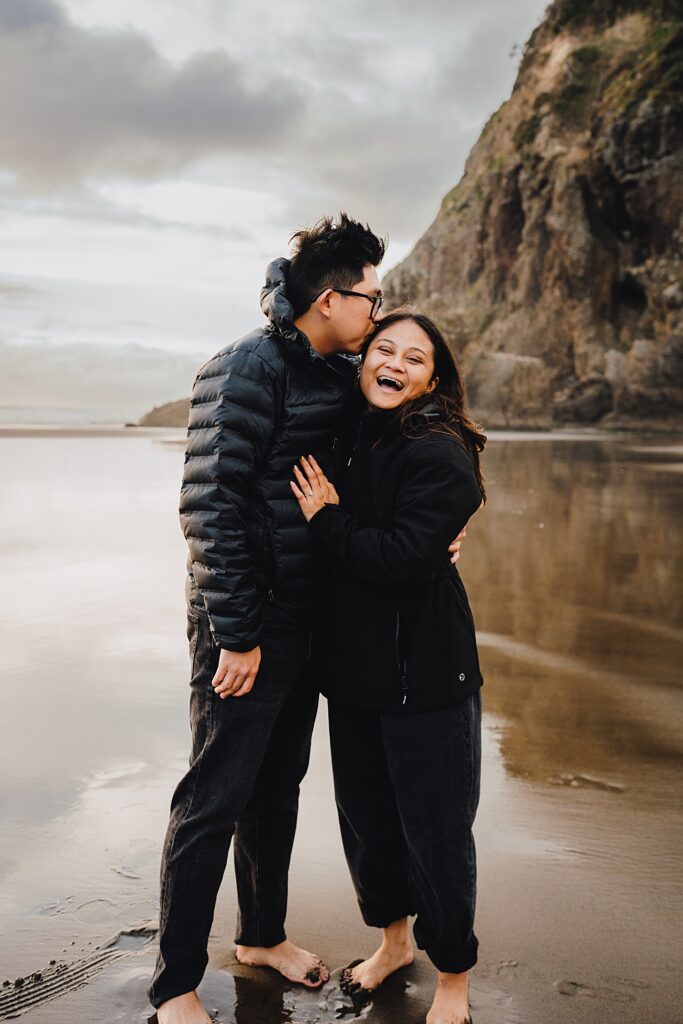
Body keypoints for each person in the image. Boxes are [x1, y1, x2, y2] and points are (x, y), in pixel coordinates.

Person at [149, 215, 467, 1024]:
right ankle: (175, 986)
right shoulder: (245, 369)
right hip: (248, 623)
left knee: (276, 789)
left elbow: (407, 444)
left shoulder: (341, 368)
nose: (378, 313)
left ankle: (260, 936)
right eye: (372, 298)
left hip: (313, 621)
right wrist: (238, 633)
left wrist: (440, 529)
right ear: (331, 300)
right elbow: (210, 508)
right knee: (215, 795)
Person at [291, 310, 486, 1024]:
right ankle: (393, 943)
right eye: (383, 349)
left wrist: (329, 521)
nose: (394, 363)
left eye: (413, 357)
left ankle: (455, 981)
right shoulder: (351, 432)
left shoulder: (438, 450)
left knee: (435, 836)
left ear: (433, 379)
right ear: (363, 360)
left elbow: (404, 561)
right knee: (368, 823)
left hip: (428, 679)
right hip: (355, 676)